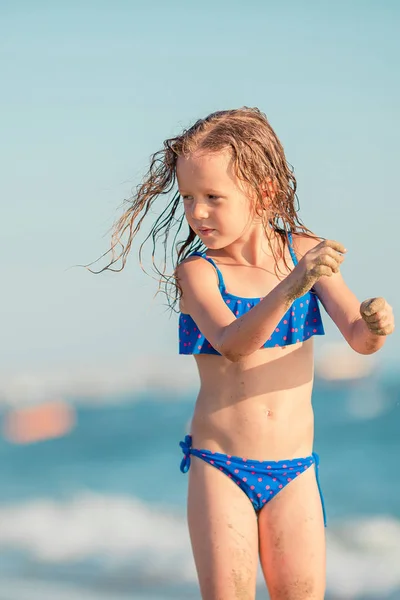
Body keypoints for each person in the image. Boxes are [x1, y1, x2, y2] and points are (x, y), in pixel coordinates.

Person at [99, 108, 395, 600]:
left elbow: (359, 340)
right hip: (221, 468)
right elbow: (233, 345)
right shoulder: (198, 273)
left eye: (213, 198)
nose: (197, 213)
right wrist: (293, 283)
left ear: (264, 192)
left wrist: (377, 324)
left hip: (294, 469)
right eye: (188, 198)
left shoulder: (305, 251)